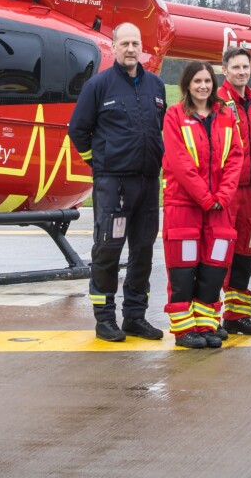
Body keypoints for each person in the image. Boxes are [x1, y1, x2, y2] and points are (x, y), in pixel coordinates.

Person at [68, 22, 167, 343]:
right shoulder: (98, 86)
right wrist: (99, 164)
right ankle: (105, 317)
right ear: (113, 47)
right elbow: (78, 131)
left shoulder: (156, 86)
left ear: (142, 47)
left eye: (135, 43)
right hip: (114, 187)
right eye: (124, 43)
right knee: (109, 249)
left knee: (143, 250)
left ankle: (135, 317)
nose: (131, 49)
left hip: (148, 184)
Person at [161, 61, 244, 348]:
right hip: (184, 205)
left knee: (214, 266)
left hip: (219, 207)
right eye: (197, 81)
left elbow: (236, 158)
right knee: (183, 268)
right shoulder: (174, 115)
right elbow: (179, 162)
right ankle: (185, 331)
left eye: (207, 81)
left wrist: (222, 197)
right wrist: (207, 198)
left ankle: (207, 323)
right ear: (187, 85)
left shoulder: (225, 115)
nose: (203, 86)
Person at [215, 47, 251, 335]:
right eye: (235, 67)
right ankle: (211, 315)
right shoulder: (216, 101)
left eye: (245, 67)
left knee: (247, 251)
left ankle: (236, 316)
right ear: (225, 70)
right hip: (226, 191)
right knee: (218, 253)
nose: (241, 72)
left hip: (250, 191)